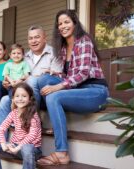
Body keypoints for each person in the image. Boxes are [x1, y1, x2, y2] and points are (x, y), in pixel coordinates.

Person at [37, 9, 109, 165]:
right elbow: (69, 76)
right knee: (43, 80)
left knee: (53, 95)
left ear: (75, 23)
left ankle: (62, 152)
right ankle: (51, 122)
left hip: (95, 91)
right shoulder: (63, 48)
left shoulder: (84, 41)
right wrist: (55, 74)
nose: (63, 26)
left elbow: (83, 73)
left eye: (66, 22)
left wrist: (58, 87)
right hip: (77, 90)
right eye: (60, 24)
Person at [0, 25, 62, 150]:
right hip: (25, 98)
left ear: (44, 38)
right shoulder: (24, 56)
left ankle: (32, 119)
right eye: (30, 38)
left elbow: (57, 76)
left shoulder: (54, 53)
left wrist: (35, 78)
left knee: (31, 80)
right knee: (5, 100)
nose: (34, 40)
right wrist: (8, 82)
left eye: (37, 37)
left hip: (46, 96)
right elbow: (15, 74)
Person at [0, 83, 42, 169]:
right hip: (15, 147)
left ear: (30, 99)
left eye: (24, 96)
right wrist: (3, 144)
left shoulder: (33, 114)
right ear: (13, 98)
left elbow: (32, 135)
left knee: (26, 148)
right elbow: (1, 129)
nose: (20, 99)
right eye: (17, 96)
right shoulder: (13, 113)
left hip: (32, 150)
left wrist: (18, 148)